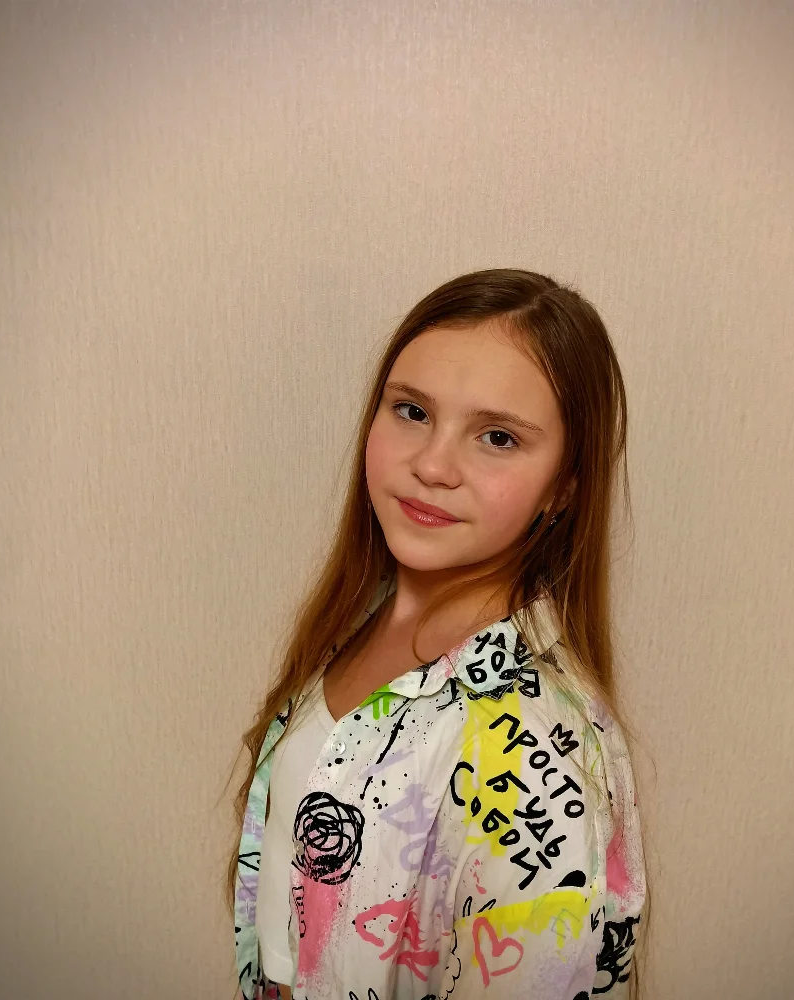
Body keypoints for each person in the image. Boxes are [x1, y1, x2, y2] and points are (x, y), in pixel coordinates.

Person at [225, 269, 648, 999]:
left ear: (564, 485)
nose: (430, 465)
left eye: (497, 437)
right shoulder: (360, 619)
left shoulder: (530, 751)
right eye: (412, 411)